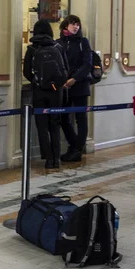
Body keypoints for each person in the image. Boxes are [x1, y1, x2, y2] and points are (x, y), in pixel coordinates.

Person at [23, 20, 68, 169]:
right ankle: (57, 158)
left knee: (42, 126)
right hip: (56, 92)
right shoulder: (58, 47)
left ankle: (48, 159)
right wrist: (54, 84)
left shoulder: (31, 49)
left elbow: (27, 72)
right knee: (54, 124)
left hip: (39, 91)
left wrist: (39, 82)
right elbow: (65, 69)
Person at [57, 14, 92, 163]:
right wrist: (63, 80)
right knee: (63, 118)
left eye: (77, 24)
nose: (76, 26)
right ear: (66, 26)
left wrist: (74, 79)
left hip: (80, 85)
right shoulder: (59, 43)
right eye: (73, 24)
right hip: (64, 87)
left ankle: (77, 150)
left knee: (81, 119)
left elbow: (87, 64)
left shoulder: (83, 42)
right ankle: (74, 145)